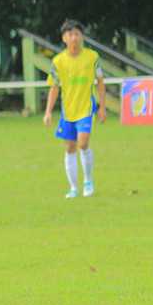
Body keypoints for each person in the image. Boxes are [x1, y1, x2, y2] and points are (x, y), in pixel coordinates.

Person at [42, 19, 106, 198]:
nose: (74, 38)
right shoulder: (58, 61)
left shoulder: (92, 57)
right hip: (68, 111)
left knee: (83, 143)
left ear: (82, 36)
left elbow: (100, 81)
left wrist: (102, 107)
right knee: (70, 147)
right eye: (70, 35)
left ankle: (88, 180)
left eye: (77, 34)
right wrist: (48, 112)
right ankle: (74, 187)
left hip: (86, 109)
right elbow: (54, 87)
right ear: (64, 38)